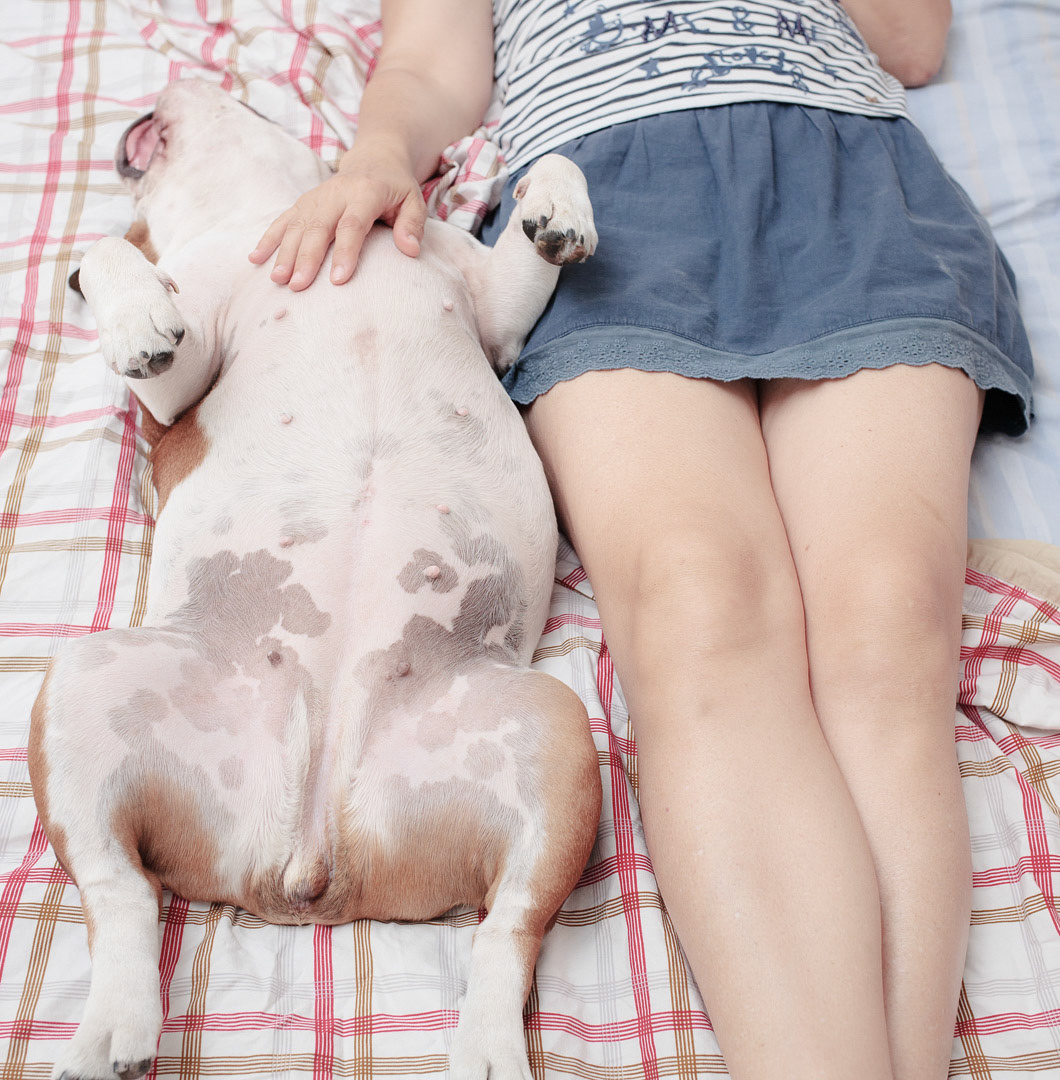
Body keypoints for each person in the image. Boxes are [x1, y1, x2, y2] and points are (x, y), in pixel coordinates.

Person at [248, 3, 1034, 1078]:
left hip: (847, 178)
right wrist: (376, 158)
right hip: (604, 199)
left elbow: (910, 43)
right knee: (696, 600)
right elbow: (431, 65)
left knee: (890, 617)